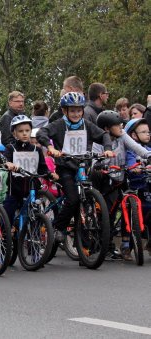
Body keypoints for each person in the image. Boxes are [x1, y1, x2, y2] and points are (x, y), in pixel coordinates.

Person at [36, 92, 115, 243]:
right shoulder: (59, 124)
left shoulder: (87, 125)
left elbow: (104, 135)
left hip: (82, 166)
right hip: (65, 167)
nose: (76, 114)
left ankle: (85, 238)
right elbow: (42, 133)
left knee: (87, 198)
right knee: (73, 199)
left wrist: (107, 148)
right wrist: (50, 148)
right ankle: (59, 227)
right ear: (65, 111)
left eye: (79, 110)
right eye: (72, 110)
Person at [92, 111, 151, 260]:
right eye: (117, 125)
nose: (121, 127)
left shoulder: (123, 136)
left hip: (122, 176)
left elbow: (137, 148)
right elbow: (94, 161)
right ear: (106, 129)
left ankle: (126, 243)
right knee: (108, 213)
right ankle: (104, 244)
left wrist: (148, 156)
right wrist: (101, 165)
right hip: (105, 178)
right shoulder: (98, 141)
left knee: (130, 204)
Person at [3, 116, 55, 224]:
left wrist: (50, 174)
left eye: (27, 130)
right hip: (15, 190)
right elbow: (5, 161)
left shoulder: (37, 149)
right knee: (8, 212)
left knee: (34, 215)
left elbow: (42, 168)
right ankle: (5, 234)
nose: (24, 133)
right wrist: (9, 164)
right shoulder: (10, 148)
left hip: (32, 189)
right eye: (20, 131)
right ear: (14, 133)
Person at [124, 118, 151, 256]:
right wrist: (135, 168)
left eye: (148, 132)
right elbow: (130, 163)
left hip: (148, 186)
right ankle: (127, 246)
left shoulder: (149, 149)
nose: (148, 134)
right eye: (144, 132)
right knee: (131, 215)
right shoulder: (131, 151)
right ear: (134, 135)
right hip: (135, 188)